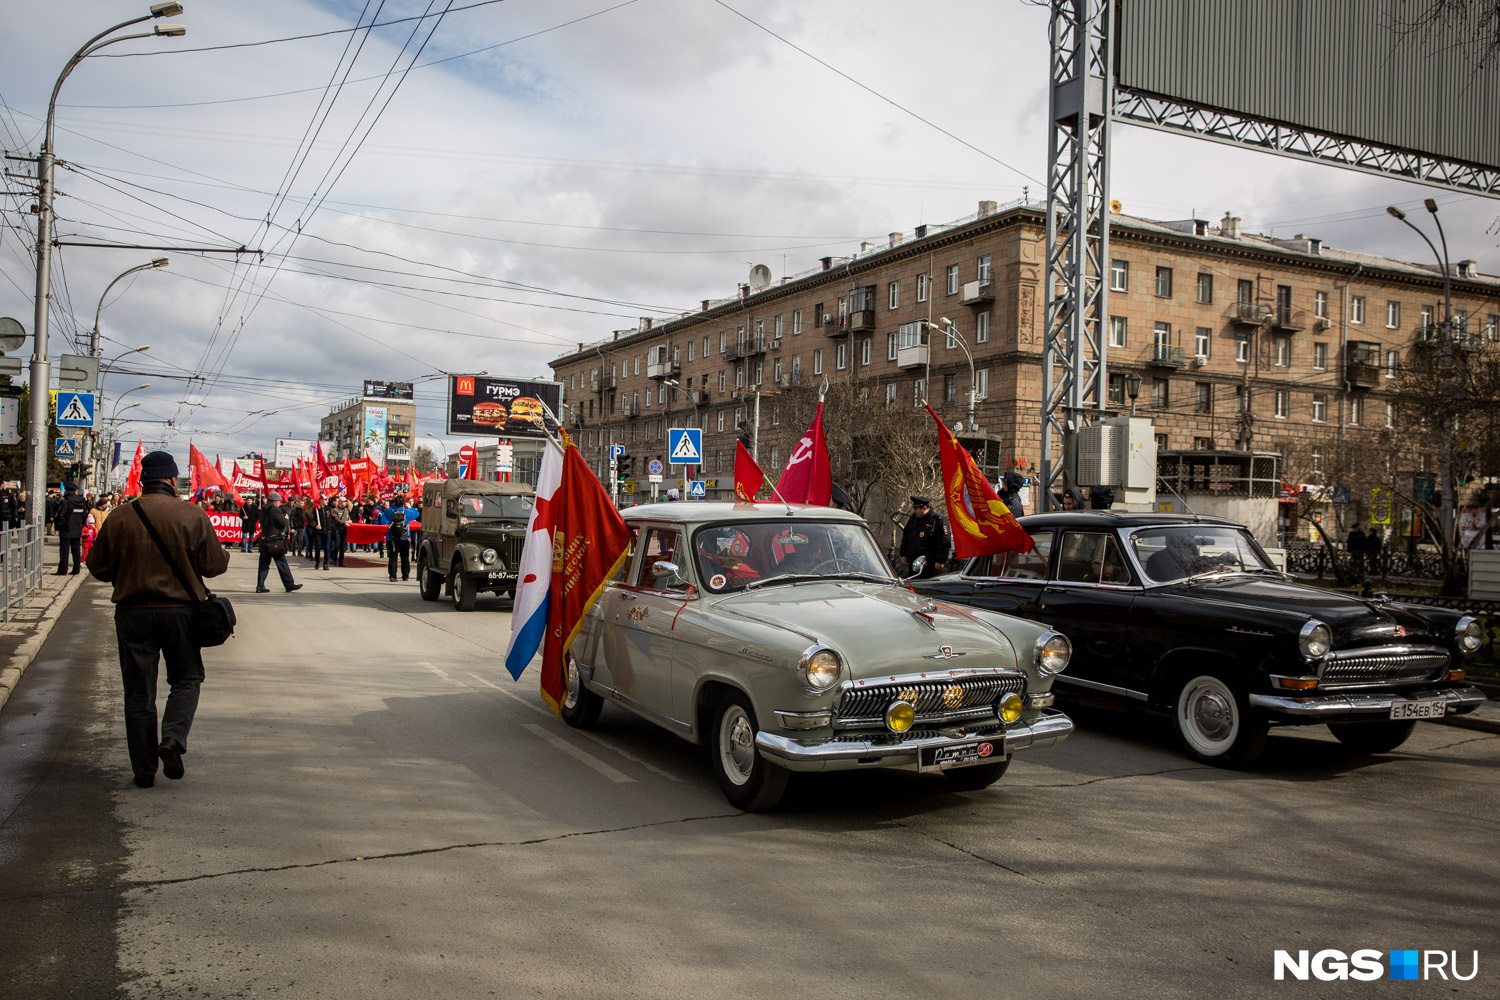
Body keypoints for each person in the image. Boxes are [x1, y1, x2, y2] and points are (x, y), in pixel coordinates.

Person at [84, 451, 229, 788]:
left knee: (138, 692)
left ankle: (144, 769)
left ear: (143, 479)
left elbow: (97, 568)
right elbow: (213, 567)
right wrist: (221, 555)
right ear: (170, 479)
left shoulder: (119, 517)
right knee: (187, 678)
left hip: (132, 614)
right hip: (180, 613)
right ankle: (172, 740)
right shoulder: (191, 514)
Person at [255, 492, 303, 594]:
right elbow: (283, 523)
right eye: (278, 502)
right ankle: (289, 584)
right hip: (275, 541)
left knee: (263, 564)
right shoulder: (274, 510)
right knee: (282, 563)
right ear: (274, 501)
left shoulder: (263, 509)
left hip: (264, 540)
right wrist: (285, 518)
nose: (279, 504)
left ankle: (260, 585)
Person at [899, 495, 950, 578]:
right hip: (914, 563)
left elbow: (944, 542)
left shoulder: (937, 520)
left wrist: (940, 560)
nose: (915, 511)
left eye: (916, 509)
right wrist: (904, 553)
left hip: (930, 564)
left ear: (925, 508)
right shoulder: (913, 519)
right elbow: (906, 536)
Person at [54, 481, 90, 574]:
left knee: (64, 551)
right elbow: (84, 514)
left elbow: (62, 515)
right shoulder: (82, 501)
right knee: (76, 550)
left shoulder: (66, 501)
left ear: (67, 491)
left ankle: (63, 570)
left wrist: (59, 527)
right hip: (77, 529)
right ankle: (76, 569)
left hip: (66, 529)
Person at [384, 497, 413, 581]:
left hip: (392, 538)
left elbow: (385, 512)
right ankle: (405, 575)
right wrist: (409, 507)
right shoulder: (407, 512)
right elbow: (416, 513)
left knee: (393, 557)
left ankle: (393, 576)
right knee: (405, 557)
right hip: (404, 537)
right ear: (404, 502)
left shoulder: (389, 511)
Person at [305, 498, 327, 571]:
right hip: (312, 528)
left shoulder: (324, 509)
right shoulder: (312, 510)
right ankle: (310, 554)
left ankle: (325, 563)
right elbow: (309, 517)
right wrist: (315, 525)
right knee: (312, 543)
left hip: (323, 530)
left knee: (325, 547)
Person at [327, 497, 350, 567]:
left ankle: (341, 561)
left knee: (342, 547)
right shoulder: (334, 510)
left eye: (345, 501)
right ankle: (334, 559)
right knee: (336, 546)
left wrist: (349, 521)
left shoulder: (346, 510)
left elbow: (348, 517)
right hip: (337, 530)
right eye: (343, 501)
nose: (345, 503)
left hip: (344, 529)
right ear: (339, 502)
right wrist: (344, 522)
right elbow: (336, 519)